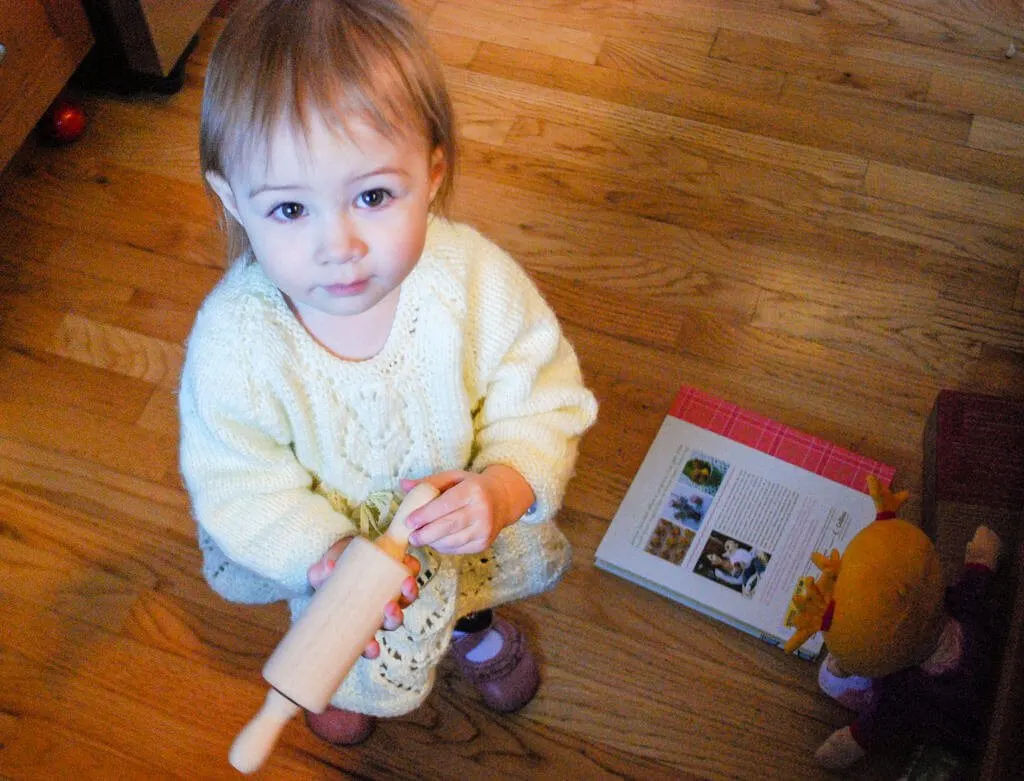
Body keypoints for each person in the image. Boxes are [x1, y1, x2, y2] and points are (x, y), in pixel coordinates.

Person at [178, 0, 598, 748]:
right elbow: (237, 479)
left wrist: (504, 487)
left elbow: (542, 393)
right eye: (288, 210)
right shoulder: (236, 343)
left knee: (468, 583)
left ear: (432, 173)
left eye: (372, 196)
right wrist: (324, 554)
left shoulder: (470, 282)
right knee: (343, 629)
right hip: (335, 564)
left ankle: (471, 626)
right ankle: (339, 671)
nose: (338, 244)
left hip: (464, 528)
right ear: (232, 198)